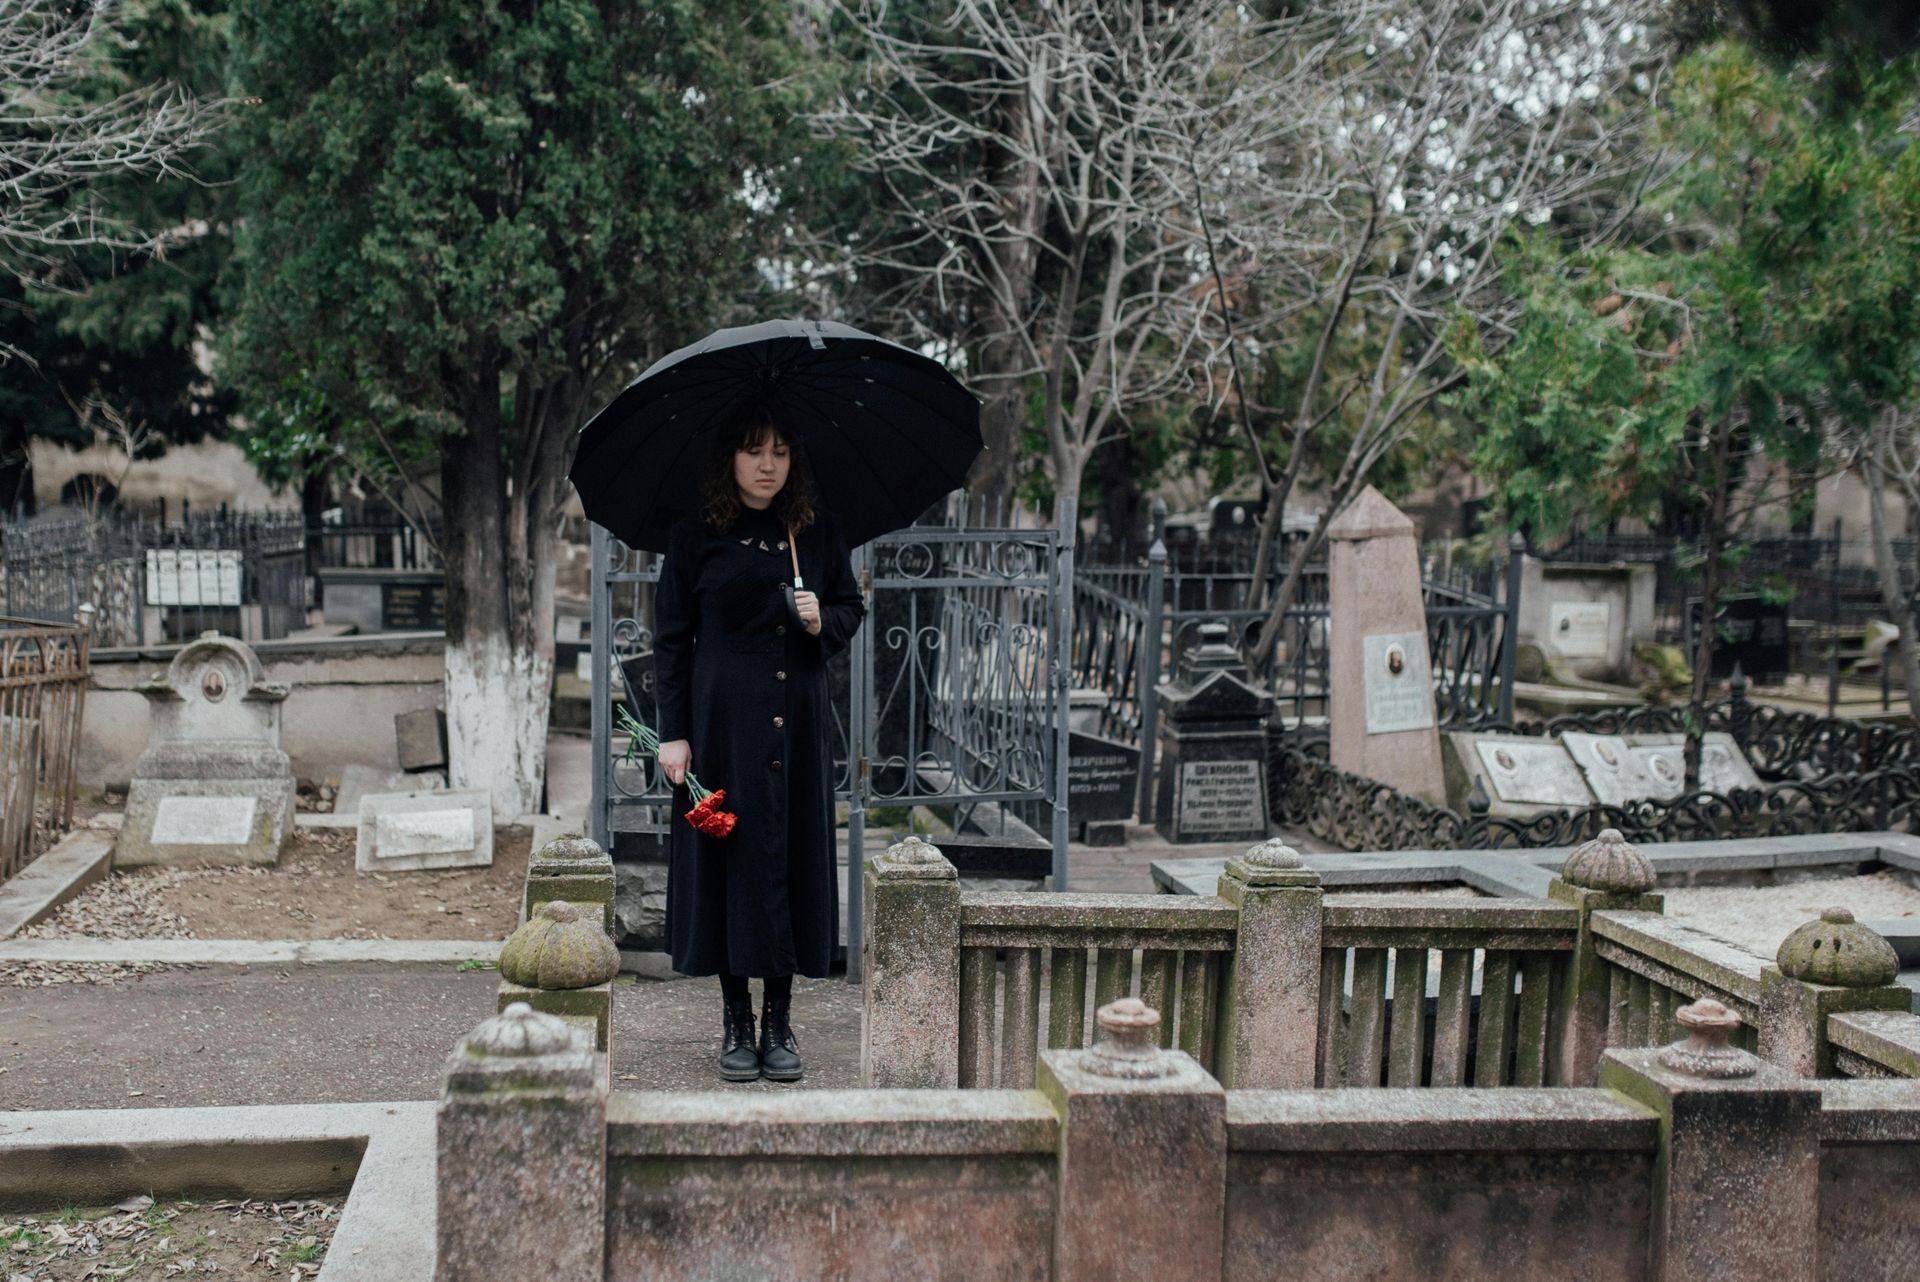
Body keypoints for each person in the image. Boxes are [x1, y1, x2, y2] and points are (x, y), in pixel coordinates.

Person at [651, 407, 865, 1082]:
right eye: (753, 451)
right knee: (729, 863)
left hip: (795, 729)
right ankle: (735, 1020)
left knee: (788, 859)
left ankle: (780, 1019)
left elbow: (850, 608)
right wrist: (674, 733)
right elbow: (670, 640)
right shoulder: (696, 536)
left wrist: (819, 619)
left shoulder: (816, 532)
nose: (767, 465)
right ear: (730, 460)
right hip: (720, 731)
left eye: (778, 451)